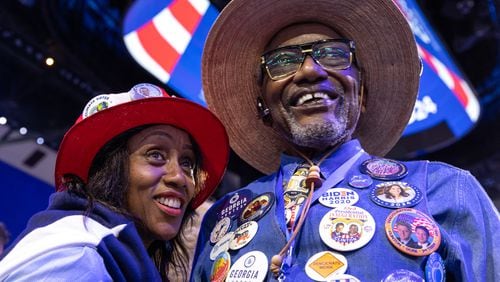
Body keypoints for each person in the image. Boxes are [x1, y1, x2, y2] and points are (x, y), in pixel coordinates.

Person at [192, 0, 500, 281]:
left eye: (333, 54)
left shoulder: (447, 190)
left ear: (362, 92)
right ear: (262, 104)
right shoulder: (224, 218)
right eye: (283, 61)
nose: (310, 71)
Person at [0, 83, 229, 281]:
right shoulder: (78, 256)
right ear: (110, 168)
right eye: (156, 155)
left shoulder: (109, 256)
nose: (179, 177)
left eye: (187, 162)